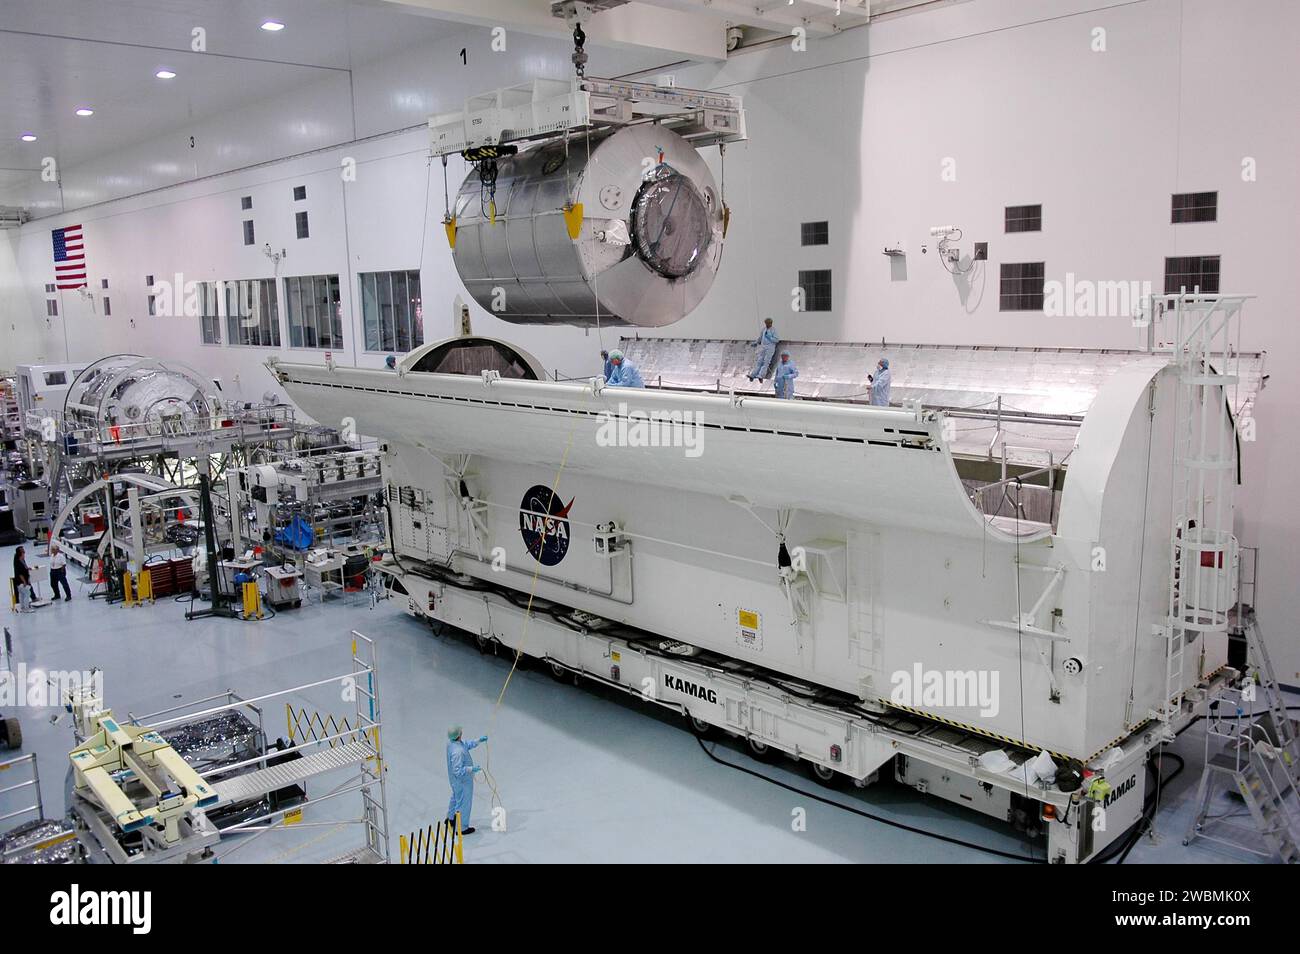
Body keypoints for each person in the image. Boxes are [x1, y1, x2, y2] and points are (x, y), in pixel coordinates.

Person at [446, 725, 488, 834]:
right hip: (462, 781)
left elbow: (466, 744)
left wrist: (478, 741)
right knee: (464, 803)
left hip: (455, 781)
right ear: (459, 735)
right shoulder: (458, 752)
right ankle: (462, 828)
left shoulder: (451, 743)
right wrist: (471, 769)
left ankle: (450, 818)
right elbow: (458, 771)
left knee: (455, 797)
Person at [747, 318, 779, 383]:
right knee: (759, 361)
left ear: (771, 323)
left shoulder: (774, 330)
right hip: (763, 347)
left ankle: (761, 375)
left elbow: (776, 340)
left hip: (770, 348)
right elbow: (760, 338)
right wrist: (756, 342)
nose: (767, 324)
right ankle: (753, 375)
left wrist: (770, 337)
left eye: (768, 323)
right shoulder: (764, 330)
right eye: (766, 323)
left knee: (766, 362)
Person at [11, 546, 35, 613]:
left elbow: (25, 566)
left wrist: (27, 568)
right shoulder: (18, 562)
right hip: (21, 581)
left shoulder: (21, 560)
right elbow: (20, 573)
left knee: (21, 594)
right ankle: (26, 608)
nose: (24, 553)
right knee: (27, 593)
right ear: (21, 553)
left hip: (21, 581)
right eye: (23, 552)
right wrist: (24, 582)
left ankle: (22, 607)